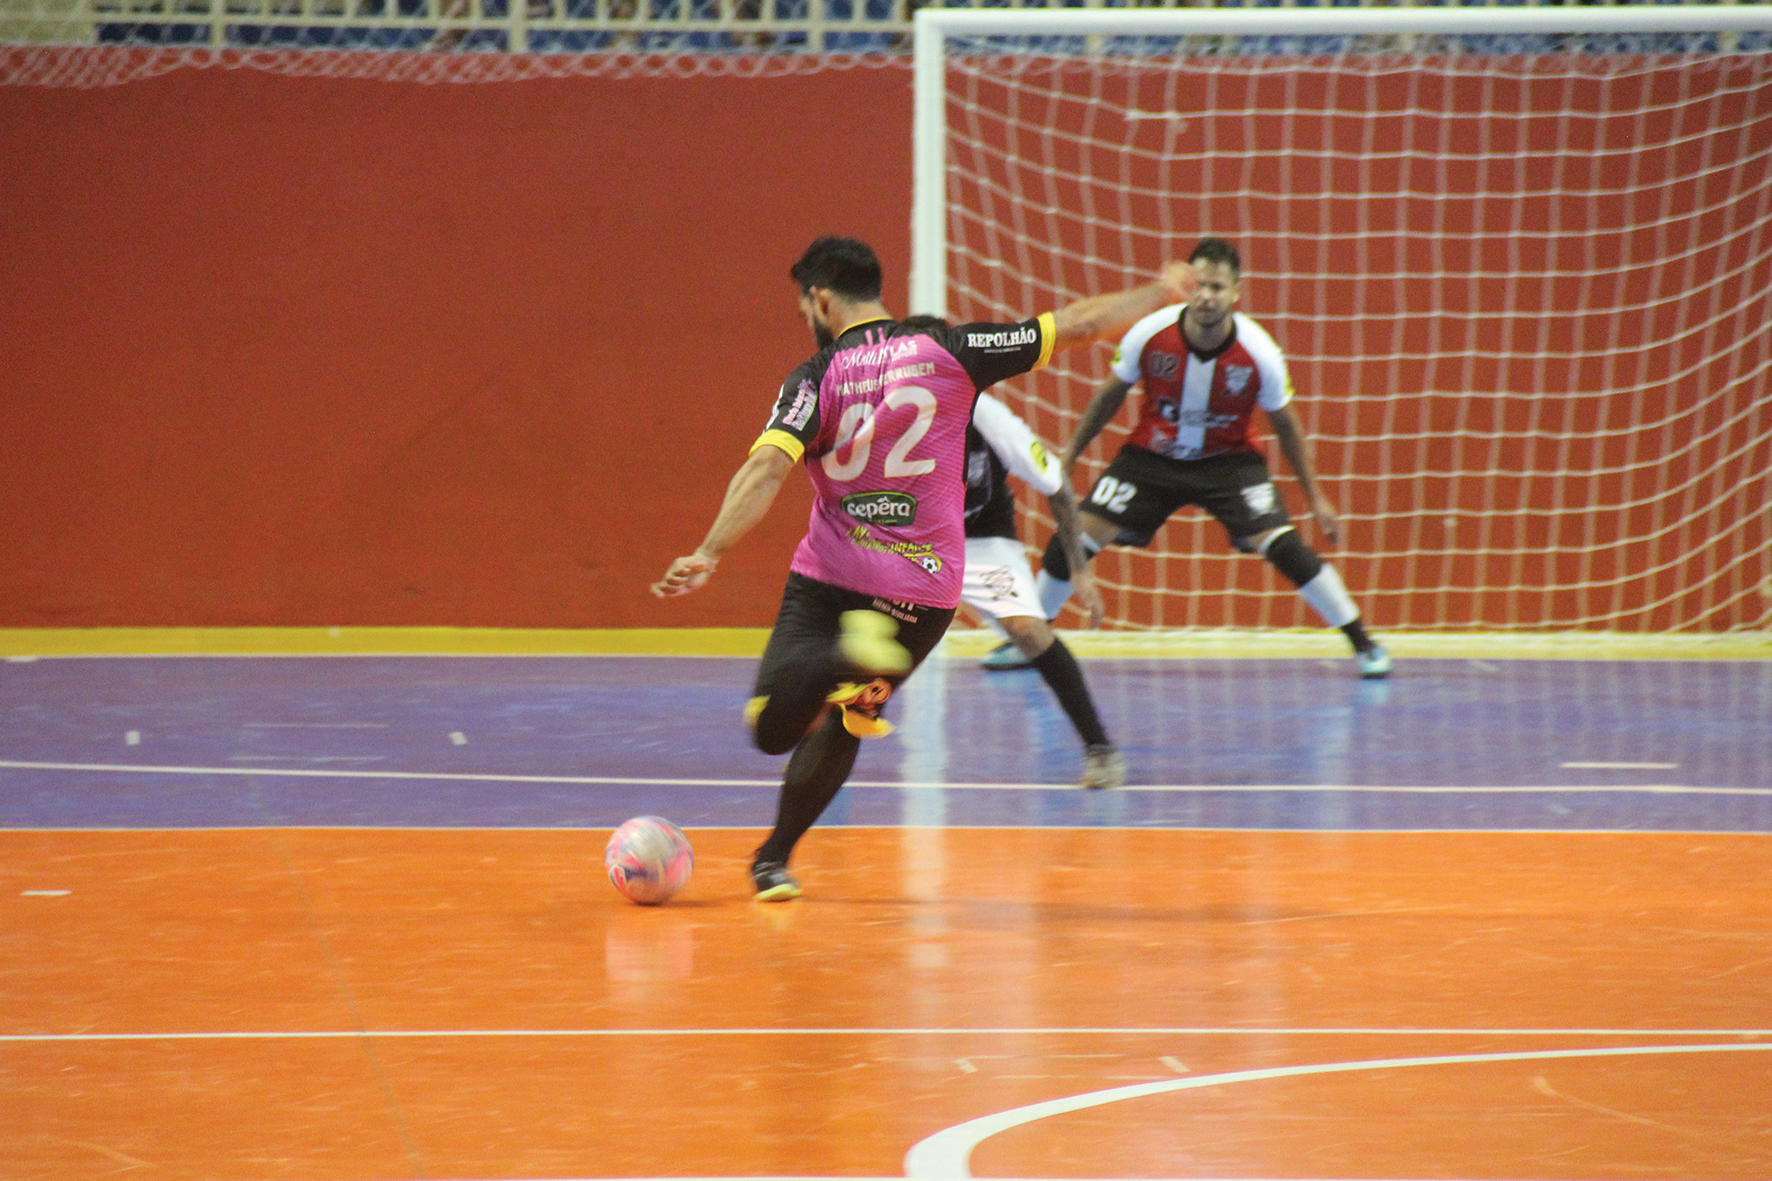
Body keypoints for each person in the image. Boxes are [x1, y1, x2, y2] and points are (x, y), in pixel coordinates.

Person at [652, 236, 1193, 900]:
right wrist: (1161, 292)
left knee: (770, 729)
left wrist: (710, 550)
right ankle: (773, 860)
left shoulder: (815, 375)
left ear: (820, 299)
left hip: (829, 577)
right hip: (918, 597)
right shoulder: (951, 350)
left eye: (804, 309)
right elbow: (1079, 325)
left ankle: (836, 663)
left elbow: (767, 467)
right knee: (850, 717)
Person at [1035, 236, 1391, 679]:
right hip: (1152, 458)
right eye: (1199, 285)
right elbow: (1109, 397)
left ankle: (1364, 644)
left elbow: (1287, 426)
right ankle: (1030, 640)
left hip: (1229, 462)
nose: (1206, 296)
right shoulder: (1150, 333)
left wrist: (1315, 497)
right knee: (1070, 540)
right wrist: (1070, 455)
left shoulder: (1259, 352)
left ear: (1235, 293)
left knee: (1286, 548)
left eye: (1217, 288)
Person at [897, 316, 1125, 790]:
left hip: (981, 541)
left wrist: (1079, 570)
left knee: (1028, 630)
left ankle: (1100, 748)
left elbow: (1056, 485)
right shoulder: (882, 410)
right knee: (863, 635)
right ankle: (818, 735)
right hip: (908, 540)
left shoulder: (987, 416)